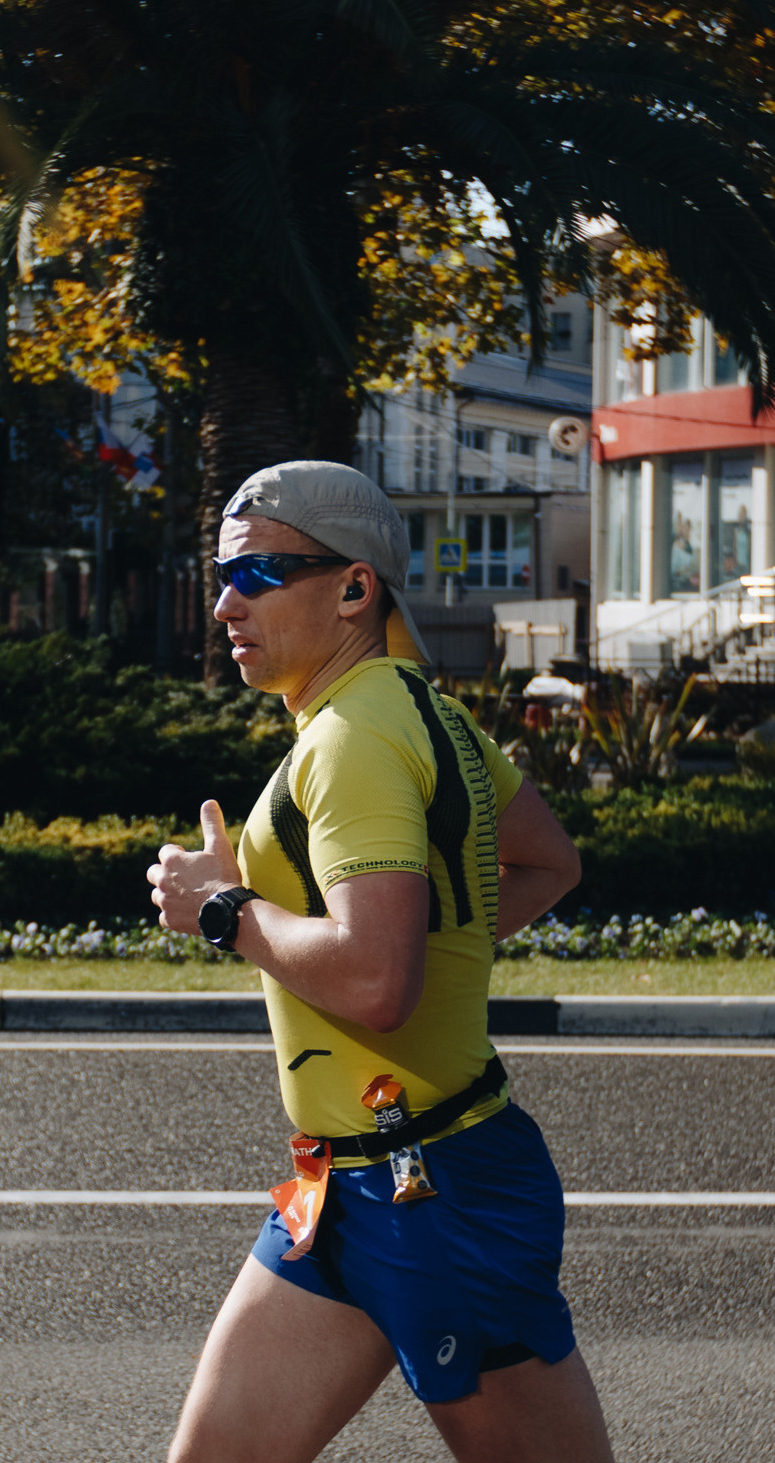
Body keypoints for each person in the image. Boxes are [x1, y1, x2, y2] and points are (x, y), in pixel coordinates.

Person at [149, 461, 606, 1463]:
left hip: (437, 1188)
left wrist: (223, 909)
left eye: (262, 572)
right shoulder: (422, 712)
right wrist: (420, 948)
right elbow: (544, 863)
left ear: (355, 589)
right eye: (223, 573)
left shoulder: (352, 738)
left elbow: (374, 982)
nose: (227, 600)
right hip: (345, 1192)